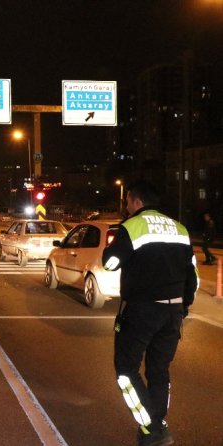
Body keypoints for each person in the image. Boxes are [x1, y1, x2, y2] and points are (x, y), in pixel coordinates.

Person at [102, 180, 197, 446]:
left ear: (136, 201)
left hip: (142, 310)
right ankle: (159, 421)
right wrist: (183, 307)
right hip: (173, 311)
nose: (127, 207)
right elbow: (194, 277)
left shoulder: (131, 227)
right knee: (159, 370)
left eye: (128, 202)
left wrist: (113, 246)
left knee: (126, 370)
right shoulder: (180, 229)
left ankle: (151, 427)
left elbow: (110, 264)